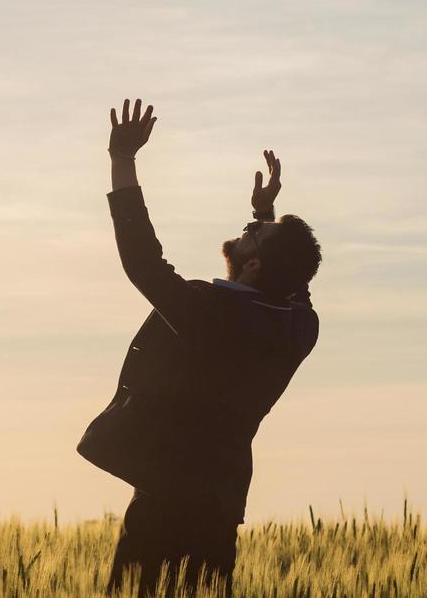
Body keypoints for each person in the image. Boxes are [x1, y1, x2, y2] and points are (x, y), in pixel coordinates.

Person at [78, 98, 322, 596]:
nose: (248, 228)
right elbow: (292, 283)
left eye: (256, 234)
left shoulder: (211, 315)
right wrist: (266, 214)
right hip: (220, 508)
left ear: (253, 267)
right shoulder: (299, 327)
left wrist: (122, 159)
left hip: (165, 501)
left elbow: (143, 261)